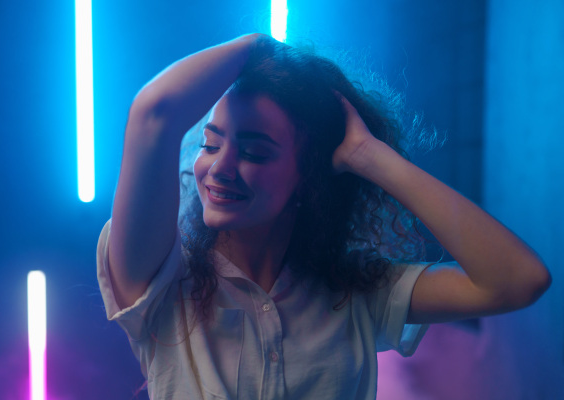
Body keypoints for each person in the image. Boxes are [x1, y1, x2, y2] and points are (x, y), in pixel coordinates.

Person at [97, 33, 551, 399]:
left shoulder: (357, 293)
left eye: (253, 151)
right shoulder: (165, 278)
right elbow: (154, 113)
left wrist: (370, 155)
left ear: (309, 177)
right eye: (211, 144)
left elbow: (518, 279)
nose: (218, 167)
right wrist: (261, 48)